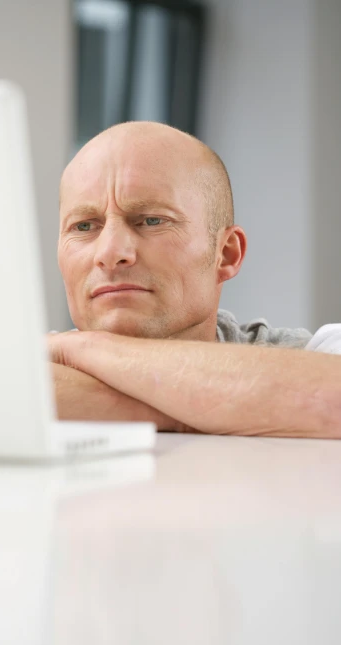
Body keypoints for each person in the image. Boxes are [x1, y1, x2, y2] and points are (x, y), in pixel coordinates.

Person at [48, 121, 341, 437]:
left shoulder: (316, 352)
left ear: (226, 254)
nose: (110, 252)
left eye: (151, 220)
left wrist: (84, 349)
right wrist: (229, 407)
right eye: (83, 226)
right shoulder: (18, 361)